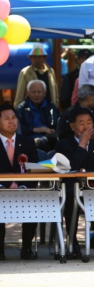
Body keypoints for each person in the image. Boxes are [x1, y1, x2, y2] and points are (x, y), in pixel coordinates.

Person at [55, 106, 94, 258]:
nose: (86, 126)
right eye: (81, 123)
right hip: (71, 190)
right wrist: (82, 145)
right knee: (69, 198)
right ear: (72, 126)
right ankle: (72, 242)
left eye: (89, 122)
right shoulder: (63, 145)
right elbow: (69, 169)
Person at [0, 104, 40, 260]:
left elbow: (34, 168)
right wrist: (5, 185)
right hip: (1, 190)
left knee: (33, 203)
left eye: (14, 118)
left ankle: (27, 248)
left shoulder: (27, 142)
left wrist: (23, 186)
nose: (11, 121)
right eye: (6, 119)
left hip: (24, 190)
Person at [15, 80, 60, 151]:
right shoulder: (21, 108)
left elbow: (58, 124)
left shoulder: (52, 107)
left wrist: (52, 130)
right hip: (29, 140)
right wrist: (37, 129)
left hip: (50, 140)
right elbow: (18, 128)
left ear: (44, 93)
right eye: (33, 92)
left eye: (39, 92)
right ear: (28, 93)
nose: (36, 95)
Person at [14, 43, 59, 107]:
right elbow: (20, 95)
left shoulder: (50, 71)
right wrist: (19, 109)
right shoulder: (25, 72)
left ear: (44, 58)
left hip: (48, 108)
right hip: (31, 110)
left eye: (39, 57)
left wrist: (55, 106)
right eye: (34, 57)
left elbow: (55, 92)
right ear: (31, 58)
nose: (37, 60)